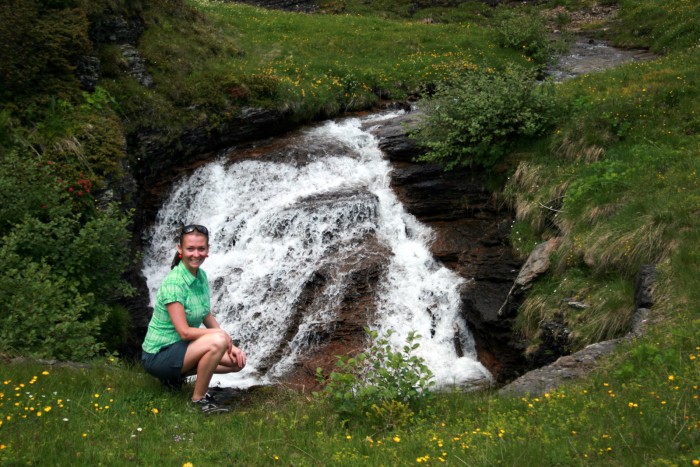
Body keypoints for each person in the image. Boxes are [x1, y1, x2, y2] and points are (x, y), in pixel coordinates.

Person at [142, 224, 246, 414]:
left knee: (235, 362)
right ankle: (198, 401)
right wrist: (221, 335)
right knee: (218, 341)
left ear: (208, 250)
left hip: (182, 349)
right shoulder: (175, 282)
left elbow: (205, 314)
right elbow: (184, 332)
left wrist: (231, 346)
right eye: (190, 248)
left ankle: (173, 380)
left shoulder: (201, 276)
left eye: (201, 249)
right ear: (180, 249)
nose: (196, 254)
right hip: (158, 355)